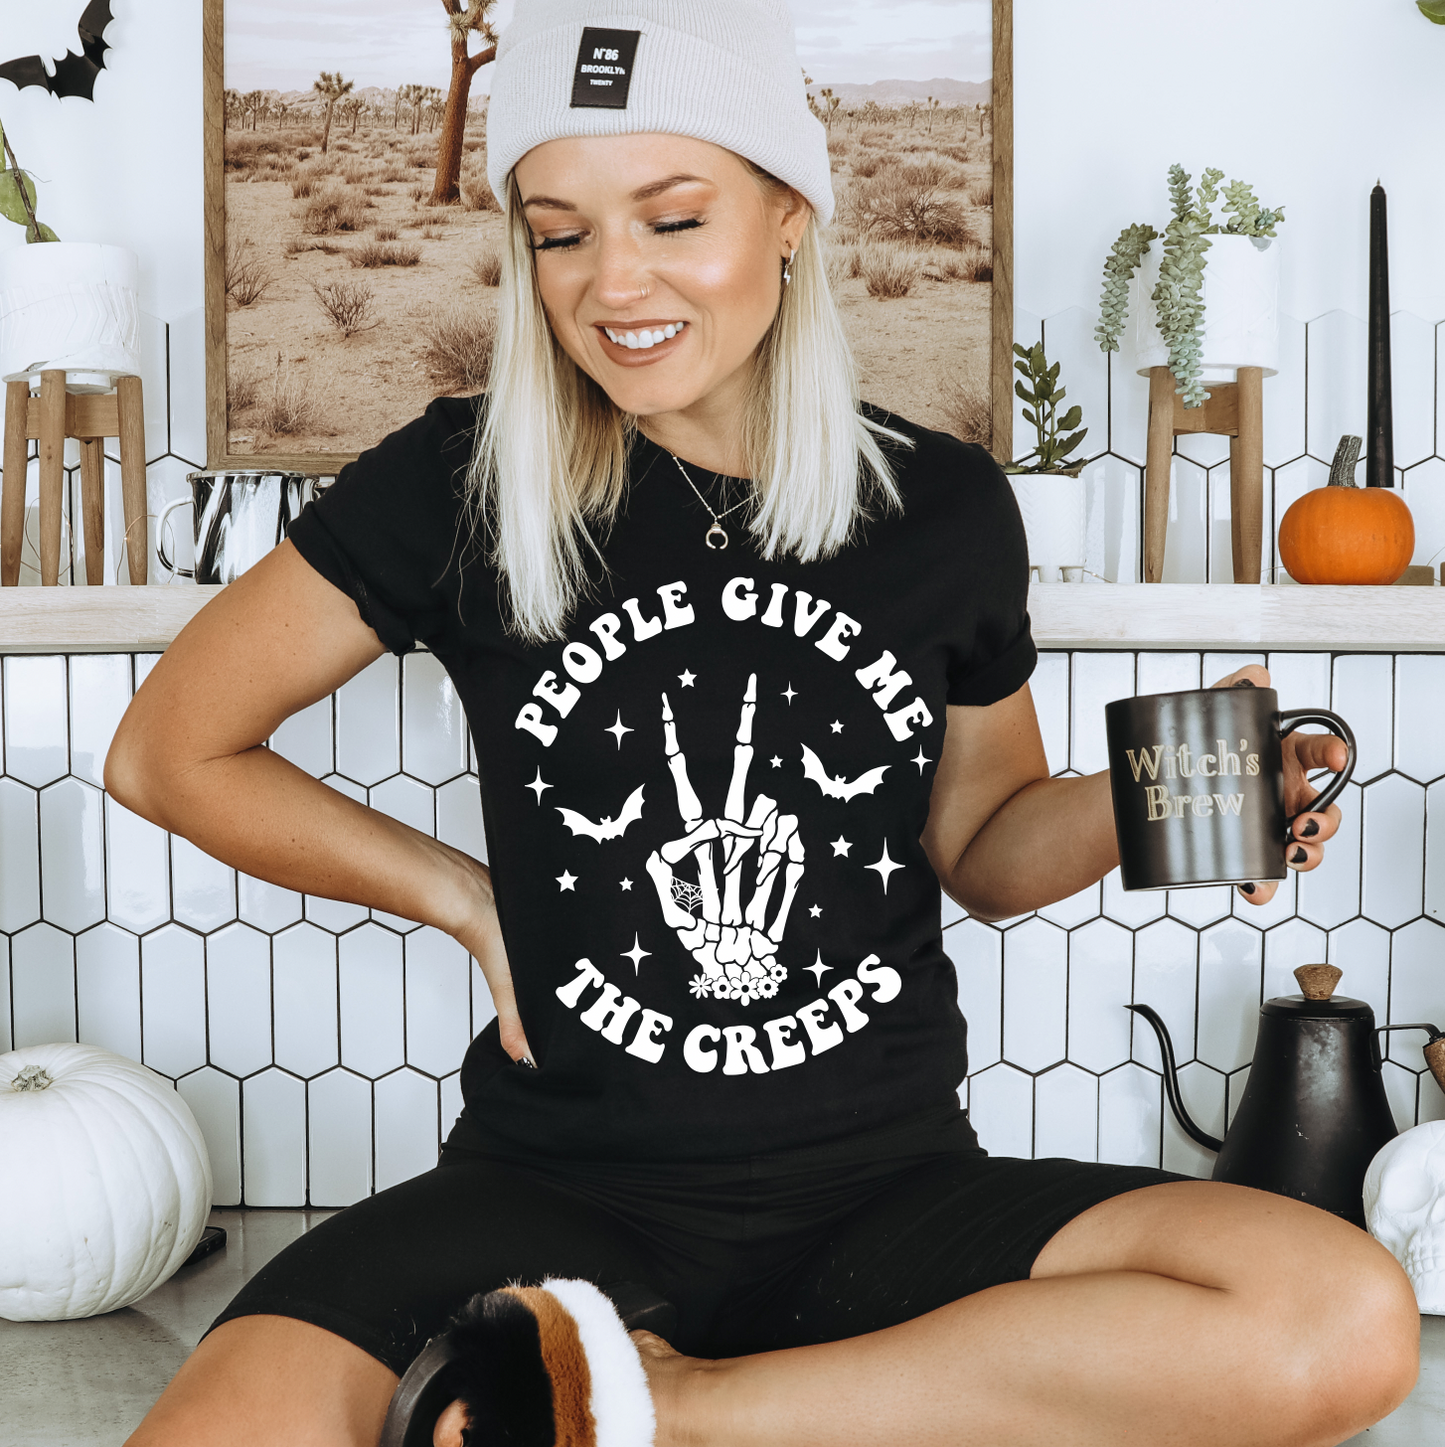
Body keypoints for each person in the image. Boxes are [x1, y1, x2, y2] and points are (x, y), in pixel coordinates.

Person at [110, 2, 1418, 1444]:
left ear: (790, 213)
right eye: (560, 233)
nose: (614, 282)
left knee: (1343, 1316)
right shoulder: (461, 482)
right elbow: (169, 750)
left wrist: (1171, 780)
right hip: (552, 1194)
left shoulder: (938, 504)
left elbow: (985, 849)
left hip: (888, 1196)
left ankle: (674, 1409)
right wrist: (469, 901)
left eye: (673, 218)